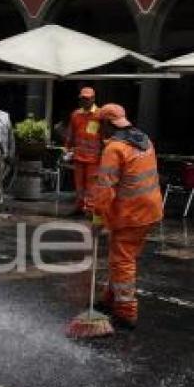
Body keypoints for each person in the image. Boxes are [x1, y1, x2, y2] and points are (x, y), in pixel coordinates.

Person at [91, 104, 162, 330]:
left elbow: (104, 190)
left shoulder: (114, 149)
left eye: (99, 125)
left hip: (131, 214)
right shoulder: (144, 139)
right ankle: (110, 298)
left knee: (123, 260)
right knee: (121, 255)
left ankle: (125, 310)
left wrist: (97, 220)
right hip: (150, 210)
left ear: (105, 124)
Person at [65, 87, 102, 215]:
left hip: (94, 158)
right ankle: (80, 206)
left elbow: (104, 135)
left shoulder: (100, 115)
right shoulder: (76, 114)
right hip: (79, 156)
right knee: (79, 185)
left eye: (87, 99)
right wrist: (67, 149)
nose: (84, 101)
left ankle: (90, 209)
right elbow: (71, 133)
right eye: (82, 99)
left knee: (92, 186)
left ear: (93, 99)